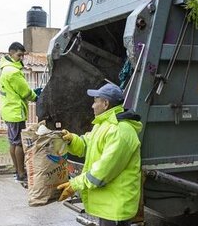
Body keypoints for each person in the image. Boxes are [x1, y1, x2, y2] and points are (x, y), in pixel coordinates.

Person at [57, 83, 142, 226]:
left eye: (95, 101)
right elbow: (87, 145)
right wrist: (72, 140)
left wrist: (75, 184)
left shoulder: (121, 131)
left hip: (116, 206)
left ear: (105, 103)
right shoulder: (103, 125)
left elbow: (103, 170)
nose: (92, 106)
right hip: (109, 204)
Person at [0, 42, 41, 183]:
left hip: (8, 111)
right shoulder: (13, 71)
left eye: (22, 55)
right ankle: (22, 174)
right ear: (11, 53)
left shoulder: (4, 69)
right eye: (19, 55)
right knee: (19, 144)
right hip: (16, 112)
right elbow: (24, 92)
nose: (21, 58)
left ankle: (17, 170)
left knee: (13, 142)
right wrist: (36, 97)